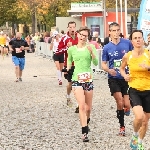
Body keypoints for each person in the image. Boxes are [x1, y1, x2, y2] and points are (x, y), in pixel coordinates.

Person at [120, 30, 150, 150]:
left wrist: (148, 68)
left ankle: (140, 143)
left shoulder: (148, 54)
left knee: (145, 121)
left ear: (143, 40)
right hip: (134, 89)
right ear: (132, 41)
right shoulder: (128, 56)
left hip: (148, 90)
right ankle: (135, 134)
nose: (138, 40)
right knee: (139, 117)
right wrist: (124, 76)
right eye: (135, 38)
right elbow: (121, 68)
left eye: (140, 38)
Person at [67, 26, 98, 142]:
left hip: (88, 79)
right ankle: (84, 131)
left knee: (88, 108)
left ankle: (86, 121)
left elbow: (95, 62)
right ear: (77, 34)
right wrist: (68, 68)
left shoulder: (91, 47)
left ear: (87, 37)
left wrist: (92, 54)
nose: (83, 37)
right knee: (82, 106)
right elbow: (69, 60)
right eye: (81, 34)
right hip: (77, 79)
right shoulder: (72, 49)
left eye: (85, 35)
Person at [102, 22, 133, 136]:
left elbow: (133, 55)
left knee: (127, 104)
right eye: (113, 31)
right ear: (109, 32)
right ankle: (122, 127)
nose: (116, 33)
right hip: (113, 78)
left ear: (120, 31)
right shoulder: (106, 48)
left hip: (126, 77)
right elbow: (103, 64)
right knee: (119, 101)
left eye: (117, 30)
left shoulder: (127, 43)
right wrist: (108, 70)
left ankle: (126, 108)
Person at [55, 21, 78, 106]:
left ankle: (79, 104)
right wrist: (66, 47)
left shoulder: (79, 37)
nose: (72, 29)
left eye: (73, 27)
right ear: (67, 28)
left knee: (78, 84)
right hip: (69, 65)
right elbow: (58, 52)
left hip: (79, 64)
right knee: (70, 84)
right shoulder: (64, 38)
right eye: (70, 27)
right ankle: (68, 96)